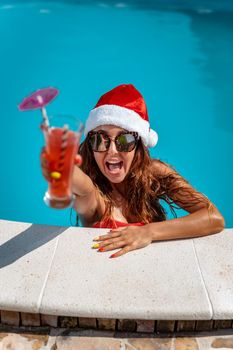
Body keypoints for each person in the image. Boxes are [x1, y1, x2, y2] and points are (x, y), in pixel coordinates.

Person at [44, 84, 225, 258]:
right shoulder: (95, 195)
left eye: (125, 140)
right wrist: (63, 168)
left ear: (138, 145)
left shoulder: (154, 173)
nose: (112, 150)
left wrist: (148, 232)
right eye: (99, 139)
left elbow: (213, 217)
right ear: (90, 148)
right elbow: (83, 188)